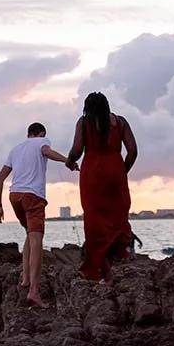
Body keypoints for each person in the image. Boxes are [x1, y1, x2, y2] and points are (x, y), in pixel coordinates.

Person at [0, 121, 71, 308]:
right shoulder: (42, 141)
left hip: (15, 196)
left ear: (28, 134)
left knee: (29, 233)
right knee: (37, 241)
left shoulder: (16, 149)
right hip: (33, 196)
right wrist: (67, 161)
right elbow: (46, 151)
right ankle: (34, 292)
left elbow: (0, 178)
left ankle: (25, 279)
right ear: (41, 133)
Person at [65, 92, 138, 282]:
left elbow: (77, 149)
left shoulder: (83, 122)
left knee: (94, 216)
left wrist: (70, 161)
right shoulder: (120, 122)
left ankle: (96, 265)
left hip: (92, 172)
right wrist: (122, 171)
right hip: (116, 168)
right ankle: (124, 252)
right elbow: (133, 151)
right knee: (119, 213)